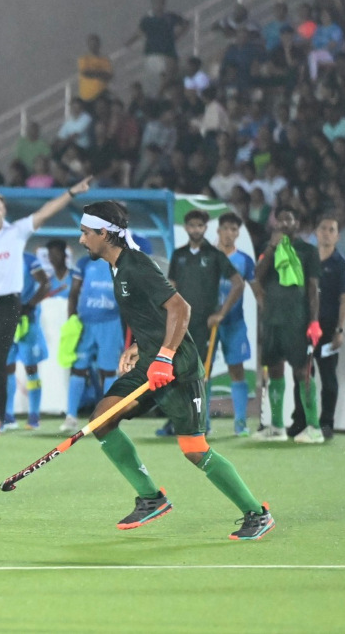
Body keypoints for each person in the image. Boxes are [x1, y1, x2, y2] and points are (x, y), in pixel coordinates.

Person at [76, 201, 274, 541]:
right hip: (149, 363)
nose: (81, 240)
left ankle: (257, 513)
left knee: (194, 449)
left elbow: (180, 308)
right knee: (102, 419)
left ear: (104, 234)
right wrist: (140, 346)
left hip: (177, 368)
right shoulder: (116, 266)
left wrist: (165, 355)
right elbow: (153, 315)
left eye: (85, 233)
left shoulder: (135, 265)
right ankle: (151, 498)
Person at [0, 177, 91, 434]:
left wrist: (71, 192)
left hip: (9, 304)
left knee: (0, 357)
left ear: (3, 211)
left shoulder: (16, 231)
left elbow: (45, 211)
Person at [157, 209, 244, 436]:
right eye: (192, 225)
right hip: (181, 325)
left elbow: (238, 283)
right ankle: (176, 421)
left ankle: (202, 423)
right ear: (186, 228)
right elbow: (171, 286)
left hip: (204, 325)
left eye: (200, 226)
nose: (196, 229)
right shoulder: (178, 255)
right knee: (176, 372)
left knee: (202, 373)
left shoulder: (215, 255)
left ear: (205, 228)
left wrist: (221, 313)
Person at [254, 206, 322, 443]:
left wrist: (313, 321)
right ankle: (277, 426)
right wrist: (272, 247)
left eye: (289, 220)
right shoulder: (270, 248)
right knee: (274, 370)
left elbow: (313, 288)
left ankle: (314, 427)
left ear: (297, 224)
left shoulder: (308, 251)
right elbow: (257, 276)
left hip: (297, 319)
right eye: (280, 220)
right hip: (273, 319)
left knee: (302, 372)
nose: (283, 224)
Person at [289, 215, 345, 440]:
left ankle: (326, 423)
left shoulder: (341, 265)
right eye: (323, 228)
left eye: (331, 229)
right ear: (315, 232)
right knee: (302, 374)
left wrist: (340, 329)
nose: (326, 232)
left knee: (327, 376)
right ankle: (301, 420)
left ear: (337, 235)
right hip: (303, 325)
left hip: (327, 327)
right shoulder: (305, 260)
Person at [60, 252, 122, 433]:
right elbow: (73, 293)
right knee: (79, 368)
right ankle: (71, 417)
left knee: (108, 370)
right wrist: (72, 322)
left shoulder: (119, 261)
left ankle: (109, 417)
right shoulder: (84, 262)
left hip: (110, 323)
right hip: (85, 323)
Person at [212, 212, 262, 436]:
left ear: (238, 233)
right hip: (208, 323)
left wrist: (267, 313)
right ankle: (204, 425)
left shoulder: (244, 260)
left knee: (236, 370)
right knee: (202, 372)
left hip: (234, 323)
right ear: (218, 231)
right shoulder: (207, 257)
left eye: (234, 230)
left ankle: (240, 423)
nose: (230, 233)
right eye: (226, 229)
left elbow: (257, 290)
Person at [4, 252, 50, 430]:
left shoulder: (29, 260)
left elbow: (46, 283)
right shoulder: (0, 259)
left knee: (31, 368)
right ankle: (8, 416)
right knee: (7, 368)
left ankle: (34, 415)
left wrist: (30, 305)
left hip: (27, 322)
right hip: (6, 321)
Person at [127, 0, 190, 96]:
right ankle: (158, 94)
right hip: (152, 52)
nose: (158, 5)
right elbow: (139, 32)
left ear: (164, 4)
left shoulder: (170, 16)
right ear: (152, 4)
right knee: (158, 77)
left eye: (160, 2)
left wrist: (178, 35)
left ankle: (160, 94)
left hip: (168, 51)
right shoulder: (147, 20)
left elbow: (185, 23)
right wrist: (129, 42)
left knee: (171, 74)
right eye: (156, 3)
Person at [78, 34, 114, 102]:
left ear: (99, 44)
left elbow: (109, 75)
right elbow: (85, 73)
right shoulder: (84, 59)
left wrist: (94, 72)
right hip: (87, 96)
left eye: (95, 43)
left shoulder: (105, 60)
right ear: (88, 45)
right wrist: (101, 73)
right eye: (91, 44)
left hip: (102, 94)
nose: (94, 46)